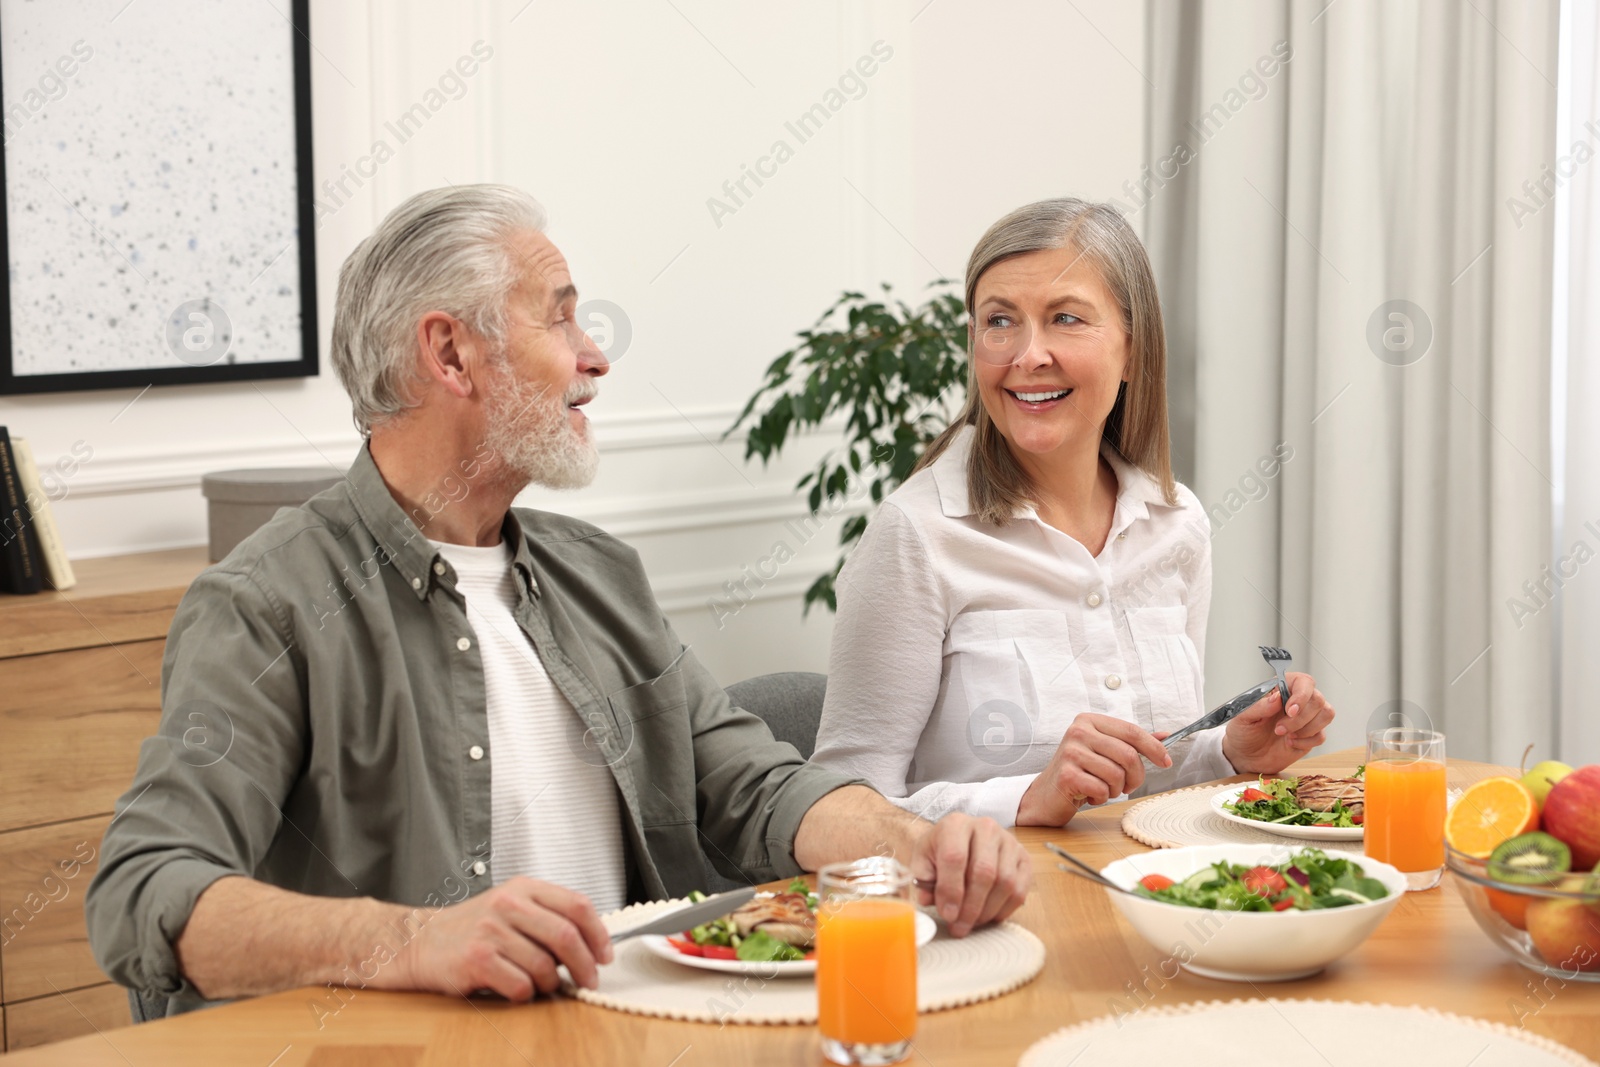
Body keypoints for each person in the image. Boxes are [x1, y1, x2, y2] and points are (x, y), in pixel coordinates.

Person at [85, 185, 1031, 1017]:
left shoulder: (598, 573)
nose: (595, 357)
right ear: (450, 354)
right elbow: (143, 890)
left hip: (628, 1033)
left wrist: (918, 844)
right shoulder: (267, 604)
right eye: (561, 319)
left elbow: (750, 785)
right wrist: (417, 942)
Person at [811, 198, 1335, 828]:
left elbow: (1150, 767)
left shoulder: (1178, 523)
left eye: (1065, 318)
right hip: (996, 917)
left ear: (1133, 352)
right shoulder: (916, 535)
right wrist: (1028, 798)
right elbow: (841, 811)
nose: (1028, 355)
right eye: (999, 321)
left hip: (1155, 895)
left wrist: (1227, 754)